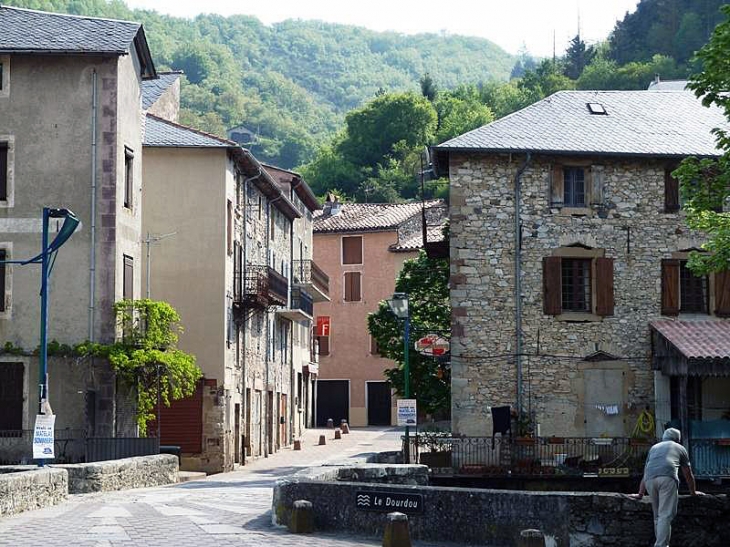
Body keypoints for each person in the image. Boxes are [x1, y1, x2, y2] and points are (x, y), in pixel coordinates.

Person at [630, 428, 704, 547]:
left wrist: (640, 493)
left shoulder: (654, 448)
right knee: (665, 515)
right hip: (667, 478)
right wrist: (693, 492)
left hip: (649, 480)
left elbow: (646, 471)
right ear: (677, 439)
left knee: (657, 516)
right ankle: (661, 545)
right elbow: (688, 473)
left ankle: (661, 543)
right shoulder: (680, 448)